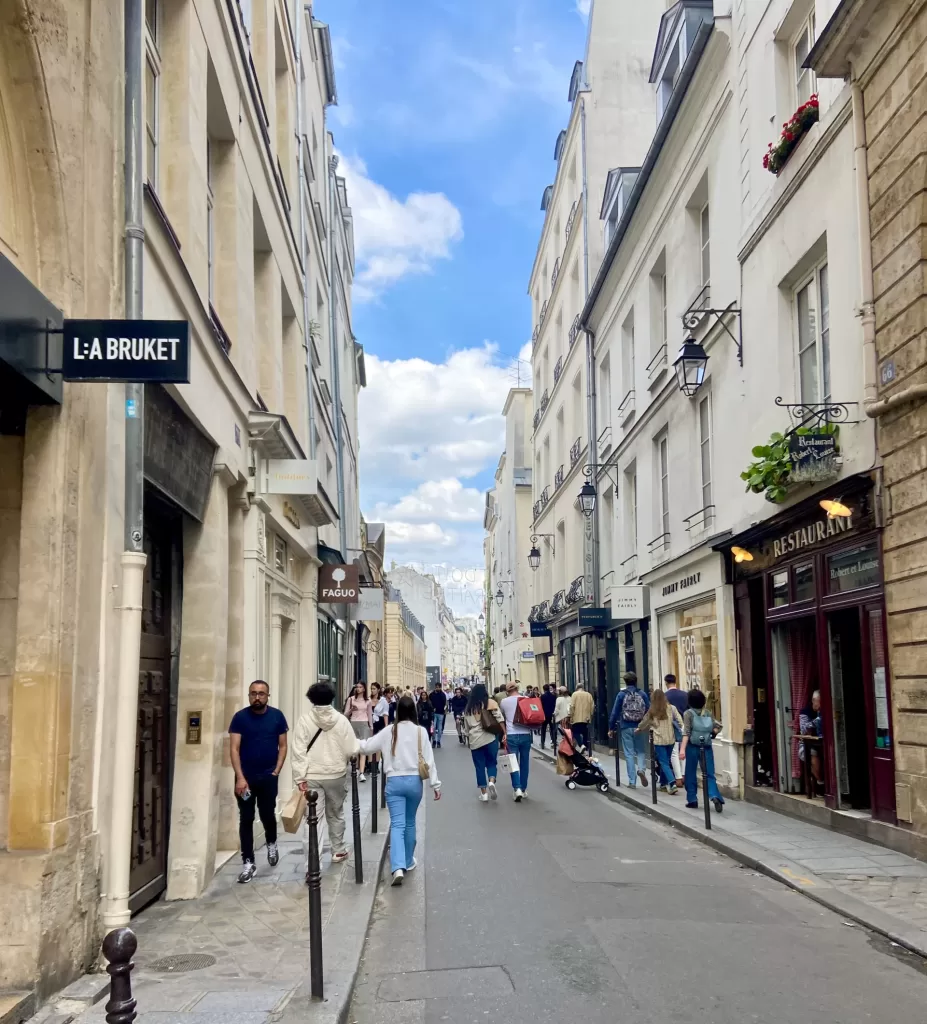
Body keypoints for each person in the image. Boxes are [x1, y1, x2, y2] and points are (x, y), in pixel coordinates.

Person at [360, 694, 441, 886]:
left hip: (394, 781)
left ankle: (397, 867)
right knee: (410, 822)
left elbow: (366, 747)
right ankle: (407, 860)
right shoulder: (420, 731)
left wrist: (348, 743)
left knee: (397, 824)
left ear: (397, 712)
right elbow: (430, 761)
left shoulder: (389, 731)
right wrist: (435, 785)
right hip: (414, 782)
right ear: (414, 711)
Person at [292, 681, 361, 865]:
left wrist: (299, 777)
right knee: (336, 813)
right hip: (335, 774)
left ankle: (312, 862)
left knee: (313, 819)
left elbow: (298, 750)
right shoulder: (341, 720)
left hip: (312, 775)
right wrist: (343, 759)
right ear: (332, 698)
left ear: (311, 699)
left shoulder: (304, 720)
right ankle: (338, 850)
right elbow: (352, 749)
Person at [229, 680, 289, 883]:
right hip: (245, 779)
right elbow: (234, 749)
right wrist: (239, 777)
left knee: (267, 814)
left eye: (261, 694)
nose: (257, 697)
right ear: (249, 696)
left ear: (267, 696)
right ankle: (248, 862)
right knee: (245, 818)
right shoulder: (240, 718)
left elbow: (283, 745)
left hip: (268, 777)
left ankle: (271, 842)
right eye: (253, 693)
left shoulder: (277, 716)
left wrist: (277, 770)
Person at [680, 688, 724, 812]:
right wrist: (713, 733)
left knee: (690, 773)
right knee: (709, 773)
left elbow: (686, 733)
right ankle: (714, 795)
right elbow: (718, 726)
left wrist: (682, 749)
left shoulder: (688, 713)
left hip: (693, 747)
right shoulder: (707, 713)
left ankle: (692, 799)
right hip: (707, 746)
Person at [635, 689, 684, 795]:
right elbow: (680, 722)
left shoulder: (652, 710)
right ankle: (662, 784)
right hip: (670, 739)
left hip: (658, 740)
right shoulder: (672, 708)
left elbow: (644, 721)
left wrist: (639, 728)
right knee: (666, 761)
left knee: (664, 763)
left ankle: (672, 783)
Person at [608, 672, 650, 788]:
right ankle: (641, 769)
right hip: (639, 727)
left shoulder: (621, 695)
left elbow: (615, 712)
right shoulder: (642, 694)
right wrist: (644, 724)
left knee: (629, 754)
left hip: (626, 726)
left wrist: (611, 728)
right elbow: (649, 710)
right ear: (636, 681)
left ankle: (632, 781)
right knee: (641, 751)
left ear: (625, 682)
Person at [463, 683, 504, 801]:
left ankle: (484, 793)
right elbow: (499, 718)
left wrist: (468, 739)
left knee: (479, 767)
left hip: (475, 740)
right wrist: (504, 733)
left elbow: (466, 729)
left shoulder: (468, 708)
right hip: (490, 738)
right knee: (491, 763)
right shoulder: (489, 703)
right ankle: (491, 781)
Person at [500, 680, 532, 801]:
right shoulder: (525, 699)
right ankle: (523, 789)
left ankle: (517, 788)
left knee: (513, 763)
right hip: (525, 734)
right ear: (517, 688)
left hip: (511, 734)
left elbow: (502, 715)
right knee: (525, 763)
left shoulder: (504, 701)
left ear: (507, 691)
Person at [344, 682, 373, 781]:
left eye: (360, 687)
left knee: (363, 748)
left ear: (364, 689)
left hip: (364, 724)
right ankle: (355, 769)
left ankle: (361, 772)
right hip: (353, 723)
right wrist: (352, 709)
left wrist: (371, 727)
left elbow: (370, 714)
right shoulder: (351, 699)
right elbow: (345, 714)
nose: (358, 689)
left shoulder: (368, 701)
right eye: (357, 687)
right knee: (355, 749)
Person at [663, 675, 688, 785]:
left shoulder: (665, 696)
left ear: (666, 683)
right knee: (683, 751)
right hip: (684, 725)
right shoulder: (685, 695)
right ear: (675, 681)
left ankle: (677, 778)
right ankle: (684, 775)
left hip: (671, 726)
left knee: (674, 752)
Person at [799, 690, 824, 790]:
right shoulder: (805, 712)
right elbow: (804, 729)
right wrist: (817, 720)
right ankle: (821, 783)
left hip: (821, 742)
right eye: (817, 701)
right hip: (806, 744)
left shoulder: (824, 710)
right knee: (812, 754)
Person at [570, 682, 594, 750]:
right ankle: (586, 748)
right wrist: (590, 715)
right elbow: (592, 706)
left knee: (575, 732)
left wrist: (571, 716)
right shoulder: (589, 695)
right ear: (583, 688)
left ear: (577, 688)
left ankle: (581, 745)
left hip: (576, 718)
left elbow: (572, 706)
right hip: (586, 718)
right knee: (585, 733)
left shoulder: (574, 694)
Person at [429, 683, 448, 748]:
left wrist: (444, 710)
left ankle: (438, 741)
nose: (437, 688)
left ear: (440, 687)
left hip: (440, 713)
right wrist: (432, 708)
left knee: (440, 729)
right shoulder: (431, 694)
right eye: (436, 687)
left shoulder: (442, 694)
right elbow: (429, 702)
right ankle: (434, 740)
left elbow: (445, 703)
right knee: (433, 728)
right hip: (433, 713)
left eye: (438, 687)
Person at [540, 684, 557, 749]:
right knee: (552, 728)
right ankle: (553, 742)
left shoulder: (542, 696)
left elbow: (541, 705)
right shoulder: (553, 696)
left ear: (544, 689)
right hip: (552, 715)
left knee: (543, 729)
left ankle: (542, 742)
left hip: (544, 714)